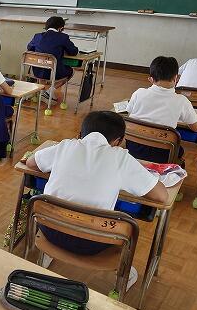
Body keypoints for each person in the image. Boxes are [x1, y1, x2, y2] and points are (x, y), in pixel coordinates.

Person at [25, 111, 168, 279]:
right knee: (126, 223)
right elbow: (162, 196)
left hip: (49, 229)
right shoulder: (120, 158)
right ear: (119, 141)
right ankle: (123, 276)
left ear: (80, 134)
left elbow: (30, 163)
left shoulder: (65, 146)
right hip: (94, 244)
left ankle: (45, 255)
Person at [126, 56, 197, 163]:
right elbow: (196, 128)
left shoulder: (139, 93)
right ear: (176, 78)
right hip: (163, 154)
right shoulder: (182, 101)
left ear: (151, 79)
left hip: (133, 148)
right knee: (180, 149)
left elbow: (130, 114)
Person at [27, 16, 79, 104]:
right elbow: (73, 51)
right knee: (71, 71)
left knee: (42, 65)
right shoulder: (63, 37)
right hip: (54, 72)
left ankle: (42, 92)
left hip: (37, 71)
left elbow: (29, 48)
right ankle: (50, 91)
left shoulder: (37, 36)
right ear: (61, 28)